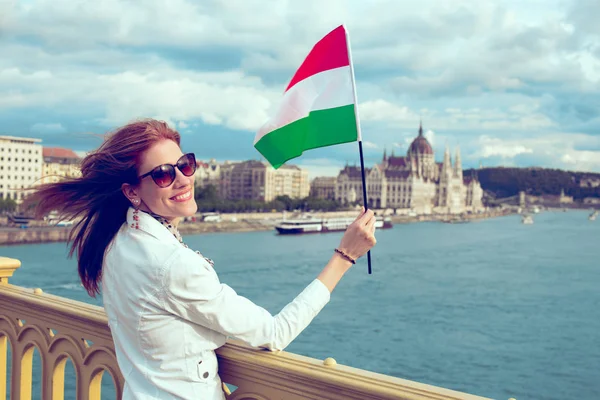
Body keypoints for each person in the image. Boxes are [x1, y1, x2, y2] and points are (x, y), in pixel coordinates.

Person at [29, 119, 377, 400]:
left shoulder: (118, 242)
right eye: (164, 174)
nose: (182, 179)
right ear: (132, 191)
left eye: (185, 164)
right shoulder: (172, 264)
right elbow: (274, 333)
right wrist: (345, 255)